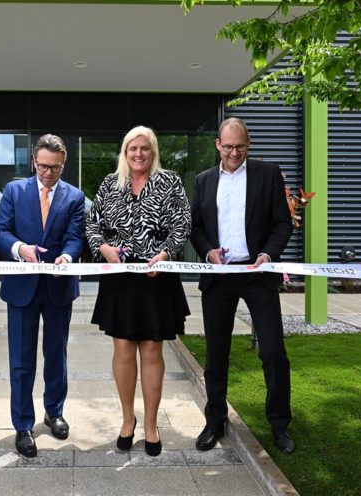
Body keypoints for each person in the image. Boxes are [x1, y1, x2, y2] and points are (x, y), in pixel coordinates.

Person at [190, 117, 295, 454]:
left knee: (273, 351)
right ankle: (215, 420)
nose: (234, 152)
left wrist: (267, 254)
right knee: (216, 353)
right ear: (217, 145)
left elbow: (282, 223)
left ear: (248, 146)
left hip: (257, 274)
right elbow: (196, 227)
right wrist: (208, 252)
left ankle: (280, 425)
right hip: (219, 277)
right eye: (228, 146)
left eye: (240, 146)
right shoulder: (204, 181)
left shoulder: (268, 174)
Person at [85, 125, 191, 457]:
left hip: (157, 277)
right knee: (123, 349)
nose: (139, 154)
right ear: (125, 152)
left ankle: (151, 426)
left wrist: (167, 253)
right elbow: (91, 223)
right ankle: (127, 420)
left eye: (144, 148)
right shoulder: (109, 184)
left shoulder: (170, 182)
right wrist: (102, 249)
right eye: (133, 148)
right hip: (120, 279)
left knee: (152, 351)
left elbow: (183, 221)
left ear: (153, 151)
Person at [0, 134, 85, 458]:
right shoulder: (14, 191)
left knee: (56, 356)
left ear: (64, 164)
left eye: (56, 168)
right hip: (22, 288)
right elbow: (0, 232)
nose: (49, 173)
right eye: (44, 166)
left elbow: (76, 238)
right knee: (21, 360)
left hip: (59, 288)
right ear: (34, 161)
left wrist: (68, 258)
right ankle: (23, 425)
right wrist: (21, 249)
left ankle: (54, 412)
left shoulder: (75, 197)